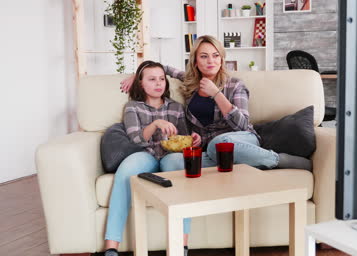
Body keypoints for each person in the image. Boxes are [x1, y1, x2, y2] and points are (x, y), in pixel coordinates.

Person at [120, 35, 310, 171]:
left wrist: (217, 94)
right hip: (209, 150)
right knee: (173, 163)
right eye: (204, 56)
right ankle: (242, 163)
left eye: (215, 55)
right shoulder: (191, 83)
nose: (211, 60)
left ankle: (277, 159)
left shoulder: (235, 85)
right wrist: (137, 75)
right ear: (195, 61)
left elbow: (243, 125)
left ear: (221, 58)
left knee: (221, 143)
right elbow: (164, 69)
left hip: (238, 140)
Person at [104, 61, 201, 256]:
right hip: (144, 153)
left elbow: (181, 139)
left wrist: (193, 140)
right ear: (141, 84)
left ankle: (181, 246)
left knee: (181, 169)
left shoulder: (176, 107)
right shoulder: (133, 107)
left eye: (161, 79)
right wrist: (155, 124)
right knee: (125, 173)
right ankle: (111, 248)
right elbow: (136, 139)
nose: (158, 83)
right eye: (151, 79)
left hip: (170, 155)